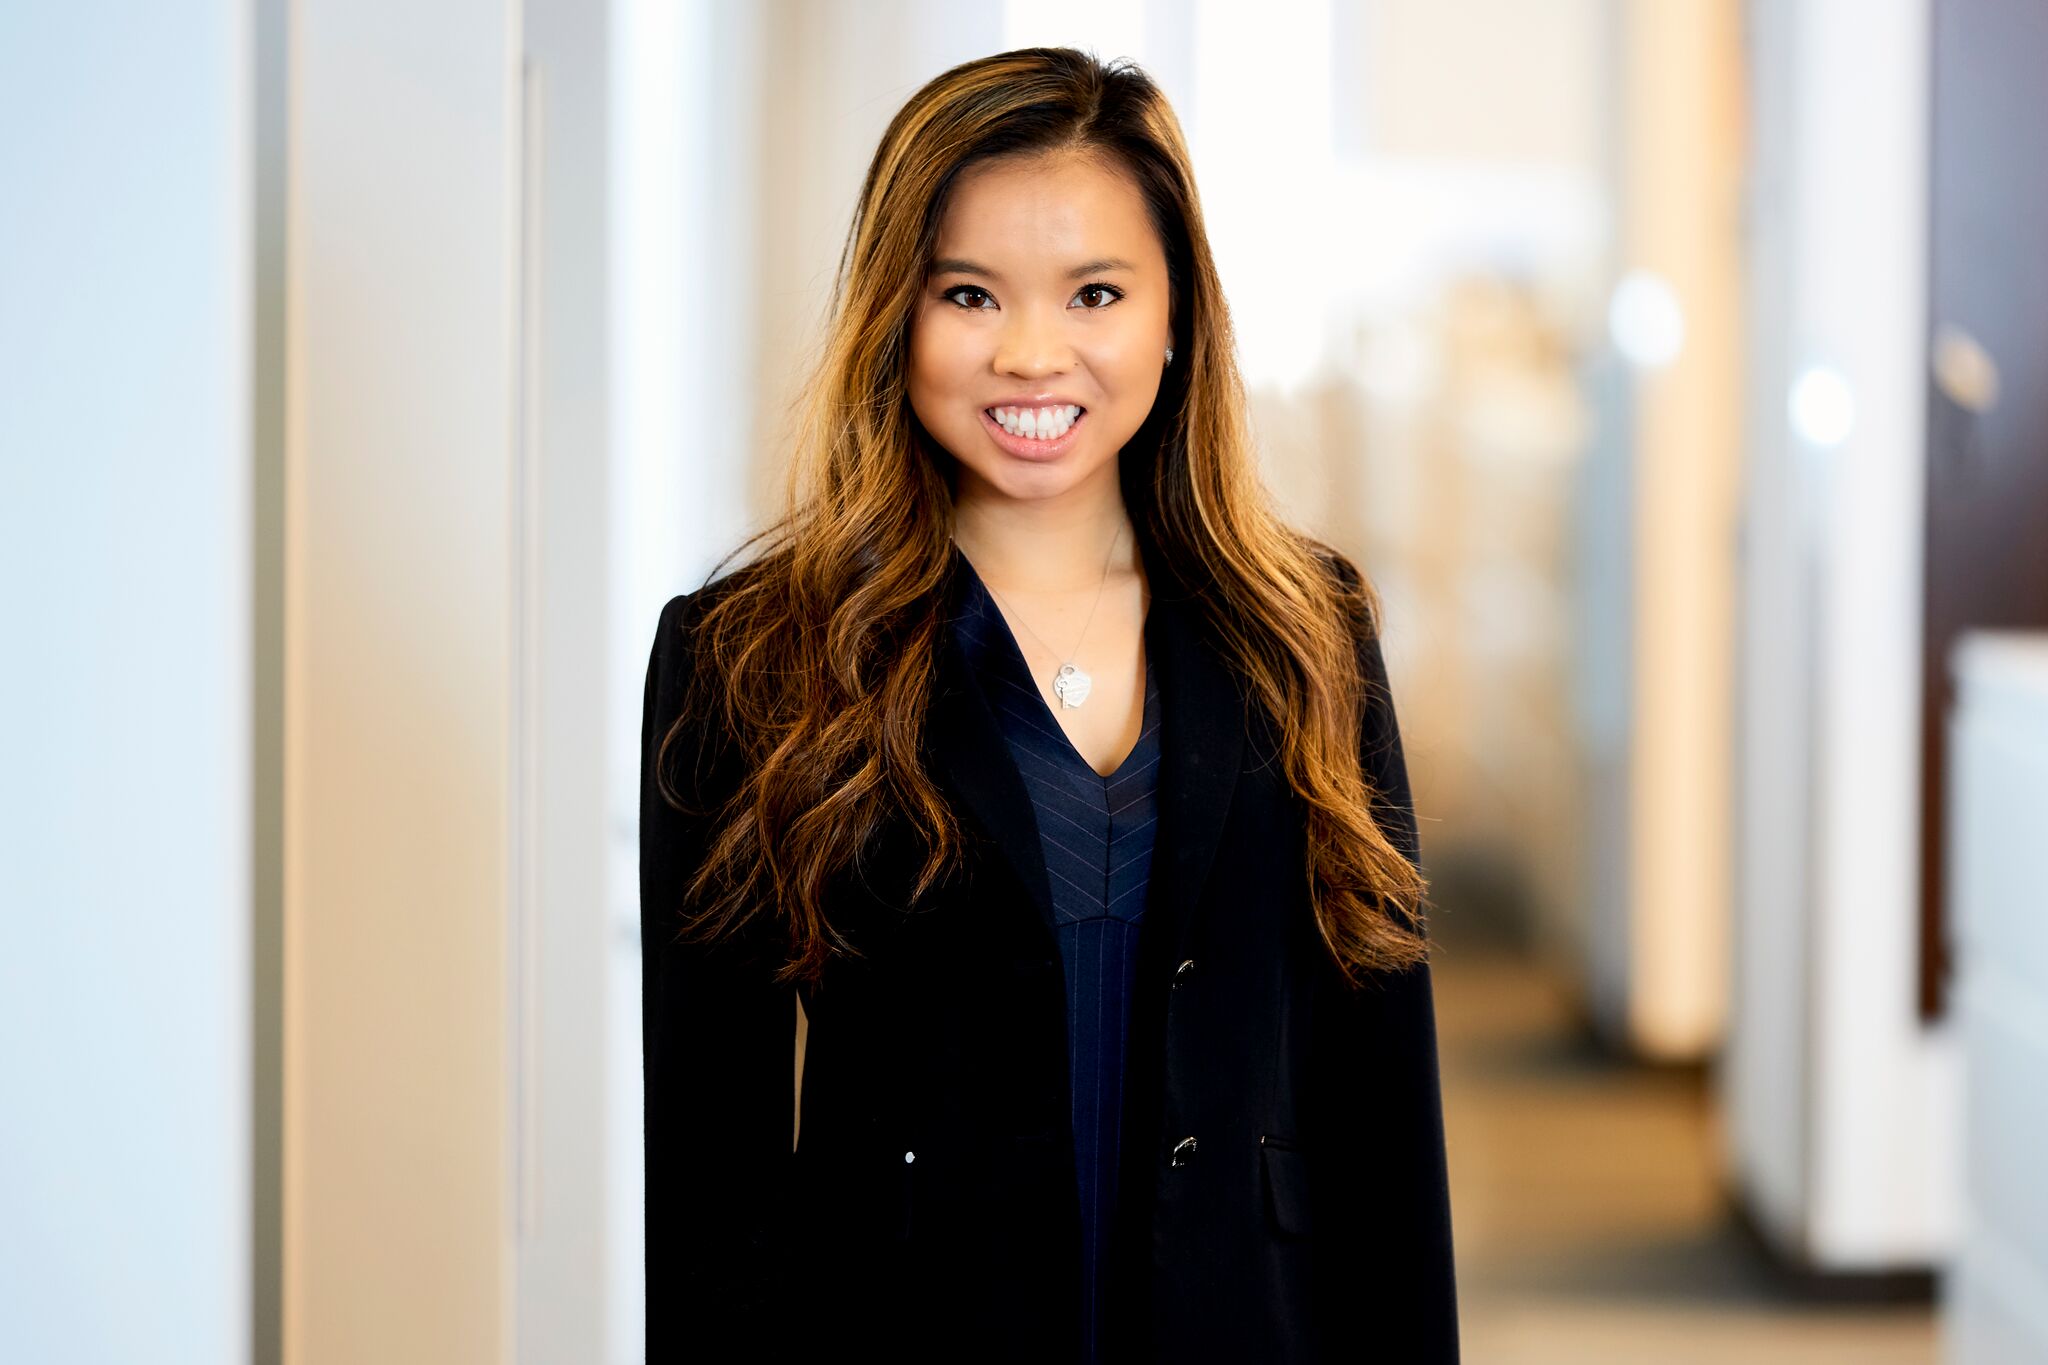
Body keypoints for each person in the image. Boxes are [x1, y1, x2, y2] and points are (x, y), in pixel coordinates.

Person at [641, 46, 1457, 1363]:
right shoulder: (748, 660)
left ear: (1176, 311)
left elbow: (1379, 1113)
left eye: (1094, 293)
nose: (1031, 354)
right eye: (969, 293)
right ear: (893, 313)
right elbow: (712, 1178)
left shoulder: (1305, 631)